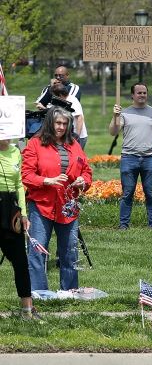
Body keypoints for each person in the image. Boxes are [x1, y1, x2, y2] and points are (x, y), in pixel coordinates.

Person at [22, 107, 92, 292]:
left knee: (69, 252)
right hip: (42, 205)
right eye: (57, 123)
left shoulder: (74, 144)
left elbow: (86, 171)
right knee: (37, 252)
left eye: (64, 123)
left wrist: (82, 181)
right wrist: (47, 180)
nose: (61, 127)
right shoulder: (35, 144)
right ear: (50, 123)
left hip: (67, 207)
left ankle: (69, 292)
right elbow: (27, 175)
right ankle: (39, 293)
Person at [108, 83, 152, 229]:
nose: (142, 95)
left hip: (150, 158)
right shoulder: (124, 113)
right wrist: (115, 116)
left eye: (144, 93)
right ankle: (123, 225)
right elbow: (113, 132)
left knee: (150, 193)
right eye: (139, 93)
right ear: (132, 95)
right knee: (127, 193)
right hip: (129, 157)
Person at [0, 139, 38, 320]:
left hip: (11, 210)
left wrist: (23, 213)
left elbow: (19, 185)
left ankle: (27, 311)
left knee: (20, 261)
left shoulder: (15, 152)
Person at [50, 83, 88, 149]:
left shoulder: (72, 101)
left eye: (54, 95)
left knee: (76, 158)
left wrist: (76, 137)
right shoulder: (63, 101)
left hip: (78, 137)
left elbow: (80, 118)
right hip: (69, 136)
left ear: (60, 95)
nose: (53, 97)